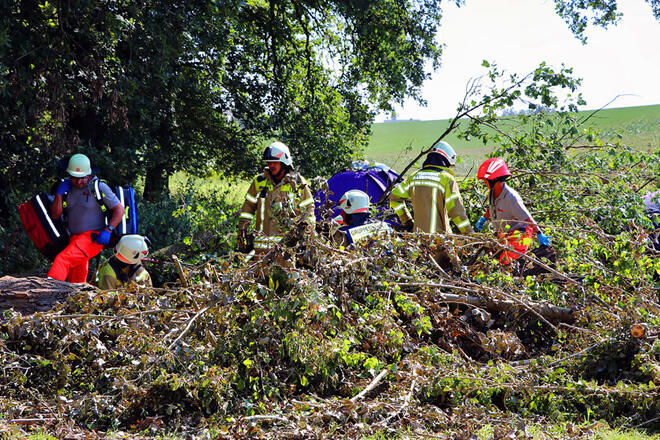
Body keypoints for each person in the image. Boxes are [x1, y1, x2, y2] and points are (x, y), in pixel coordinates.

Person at [48, 153, 125, 282]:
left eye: (82, 178)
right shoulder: (65, 188)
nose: (78, 182)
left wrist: (108, 230)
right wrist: (59, 194)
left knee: (63, 260)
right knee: (76, 278)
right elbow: (55, 215)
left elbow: (119, 210)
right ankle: (73, 298)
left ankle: (46, 291)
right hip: (74, 238)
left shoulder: (99, 187)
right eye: (74, 178)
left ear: (88, 174)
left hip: (92, 238)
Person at [237, 142, 315, 253]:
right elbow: (247, 208)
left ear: (284, 162)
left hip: (287, 250)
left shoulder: (297, 183)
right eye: (269, 162)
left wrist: (306, 237)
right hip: (262, 250)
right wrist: (242, 231)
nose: (271, 165)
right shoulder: (259, 182)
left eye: (274, 162)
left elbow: (309, 210)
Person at [474, 157, 551, 265]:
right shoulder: (492, 193)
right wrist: (483, 218)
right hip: (504, 234)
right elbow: (493, 207)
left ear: (494, 180)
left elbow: (527, 217)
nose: (484, 183)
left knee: (507, 263)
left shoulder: (511, 198)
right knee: (489, 259)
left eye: (486, 180)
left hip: (520, 234)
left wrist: (539, 233)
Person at [389, 141, 473, 235]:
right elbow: (456, 211)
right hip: (440, 240)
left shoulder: (414, 177)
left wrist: (407, 221)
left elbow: (394, 197)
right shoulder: (446, 179)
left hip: (417, 239)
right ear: (445, 160)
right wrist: (470, 234)